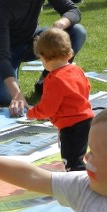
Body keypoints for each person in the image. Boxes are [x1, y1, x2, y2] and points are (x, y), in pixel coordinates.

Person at [0, 0, 86, 114]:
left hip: (34, 40)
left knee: (77, 32)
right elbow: (1, 53)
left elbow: (73, 10)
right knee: (6, 97)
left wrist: (61, 24)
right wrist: (17, 94)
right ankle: (13, 82)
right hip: (8, 48)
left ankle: (47, 80)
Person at [26, 28, 93, 171]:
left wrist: (32, 113)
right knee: (80, 153)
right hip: (86, 119)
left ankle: (78, 183)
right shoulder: (77, 70)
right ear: (70, 53)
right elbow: (87, 87)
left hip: (70, 125)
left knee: (72, 159)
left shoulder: (54, 79)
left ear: (43, 58)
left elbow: (47, 108)